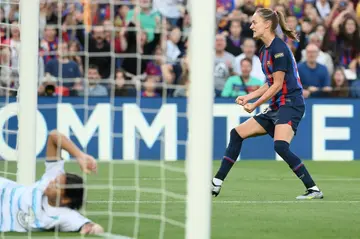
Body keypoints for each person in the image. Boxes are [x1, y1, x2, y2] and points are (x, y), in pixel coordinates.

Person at [211, 8, 323, 200]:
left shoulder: (279, 49)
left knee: (280, 146)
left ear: (267, 24)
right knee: (237, 134)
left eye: (254, 22)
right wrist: (249, 97)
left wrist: (254, 105)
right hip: (277, 105)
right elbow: (270, 83)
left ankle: (313, 189)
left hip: (291, 104)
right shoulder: (264, 51)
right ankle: (216, 183)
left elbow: (278, 84)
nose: (251, 25)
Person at [0, 130, 104, 234]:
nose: (51, 183)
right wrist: (79, 155)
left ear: (65, 200)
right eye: (55, 180)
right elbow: (54, 136)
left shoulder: (64, 216)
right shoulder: (52, 175)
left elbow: (94, 227)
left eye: (57, 185)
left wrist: (93, 228)